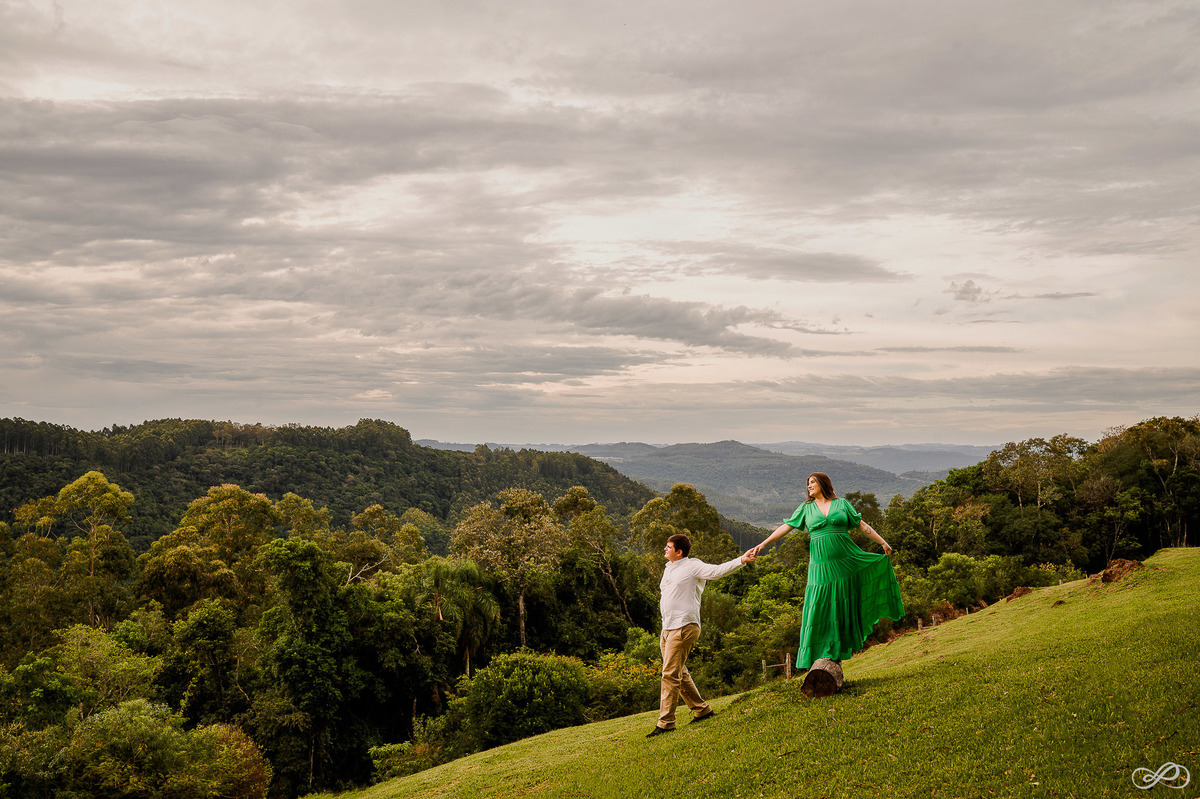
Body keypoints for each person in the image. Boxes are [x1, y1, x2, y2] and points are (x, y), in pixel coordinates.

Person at [751, 472, 903, 670]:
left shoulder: (842, 504)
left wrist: (883, 542)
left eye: (812, 482)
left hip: (845, 563)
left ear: (823, 483)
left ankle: (836, 652)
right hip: (820, 566)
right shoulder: (806, 508)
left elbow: (862, 525)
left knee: (840, 604)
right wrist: (762, 545)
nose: (809, 486)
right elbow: (786, 527)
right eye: (807, 483)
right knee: (819, 604)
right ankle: (820, 654)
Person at [647, 533, 757, 738]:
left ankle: (666, 723)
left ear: (679, 552)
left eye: (668, 547)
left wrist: (742, 559)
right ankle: (702, 710)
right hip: (667, 628)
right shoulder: (668, 568)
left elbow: (717, 571)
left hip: (684, 626)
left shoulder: (692, 566)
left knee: (669, 675)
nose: (664, 549)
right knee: (679, 671)